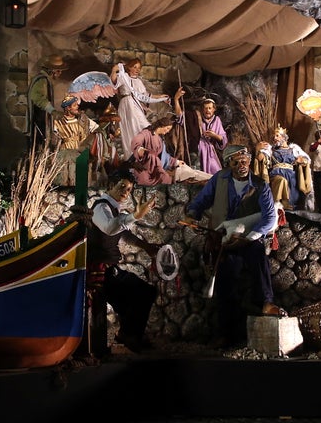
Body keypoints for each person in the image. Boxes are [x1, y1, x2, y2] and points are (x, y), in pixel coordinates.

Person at [184, 145, 286, 348]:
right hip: (224, 240)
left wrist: (249, 238)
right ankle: (227, 333)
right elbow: (200, 201)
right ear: (228, 163)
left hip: (248, 239)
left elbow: (269, 218)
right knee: (225, 276)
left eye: (244, 161)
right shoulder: (219, 180)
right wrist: (192, 215)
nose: (241, 165)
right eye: (236, 162)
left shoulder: (260, 185)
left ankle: (266, 302)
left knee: (258, 257)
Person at [87, 170, 158, 353]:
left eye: (129, 189)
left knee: (141, 294)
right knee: (142, 293)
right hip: (100, 273)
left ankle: (128, 335)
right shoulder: (100, 208)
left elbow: (123, 233)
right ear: (110, 185)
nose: (125, 192)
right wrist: (135, 216)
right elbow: (111, 228)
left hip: (110, 269)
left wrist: (146, 246)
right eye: (122, 187)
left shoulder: (114, 209)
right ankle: (128, 336)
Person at [110, 59, 171, 161]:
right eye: (134, 67)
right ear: (129, 67)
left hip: (135, 105)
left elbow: (146, 96)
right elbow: (113, 81)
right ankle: (131, 157)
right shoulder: (123, 77)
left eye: (139, 68)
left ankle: (145, 152)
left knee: (143, 126)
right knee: (129, 130)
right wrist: (114, 70)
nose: (137, 70)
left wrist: (160, 97)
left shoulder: (138, 81)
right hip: (126, 105)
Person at [253, 125, 311, 210]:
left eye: (277, 136)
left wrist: (302, 160)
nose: (275, 138)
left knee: (295, 191)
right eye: (274, 136)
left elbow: (307, 160)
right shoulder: (271, 150)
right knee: (281, 181)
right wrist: (258, 149)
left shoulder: (294, 149)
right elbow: (260, 158)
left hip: (291, 176)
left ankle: (292, 207)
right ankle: (278, 204)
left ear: (284, 137)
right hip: (276, 174)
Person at [173, 93, 228, 175]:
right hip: (197, 149)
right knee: (197, 173)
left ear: (214, 109)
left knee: (216, 173)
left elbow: (223, 138)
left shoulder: (216, 120)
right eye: (205, 108)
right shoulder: (195, 117)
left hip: (211, 153)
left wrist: (214, 135)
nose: (207, 110)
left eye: (210, 108)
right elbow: (180, 117)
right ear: (202, 109)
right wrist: (176, 100)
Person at [28, 54, 68, 145]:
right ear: (52, 71)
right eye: (58, 71)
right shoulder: (42, 80)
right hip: (38, 119)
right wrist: (53, 111)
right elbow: (36, 97)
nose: (60, 73)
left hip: (42, 119)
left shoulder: (46, 80)